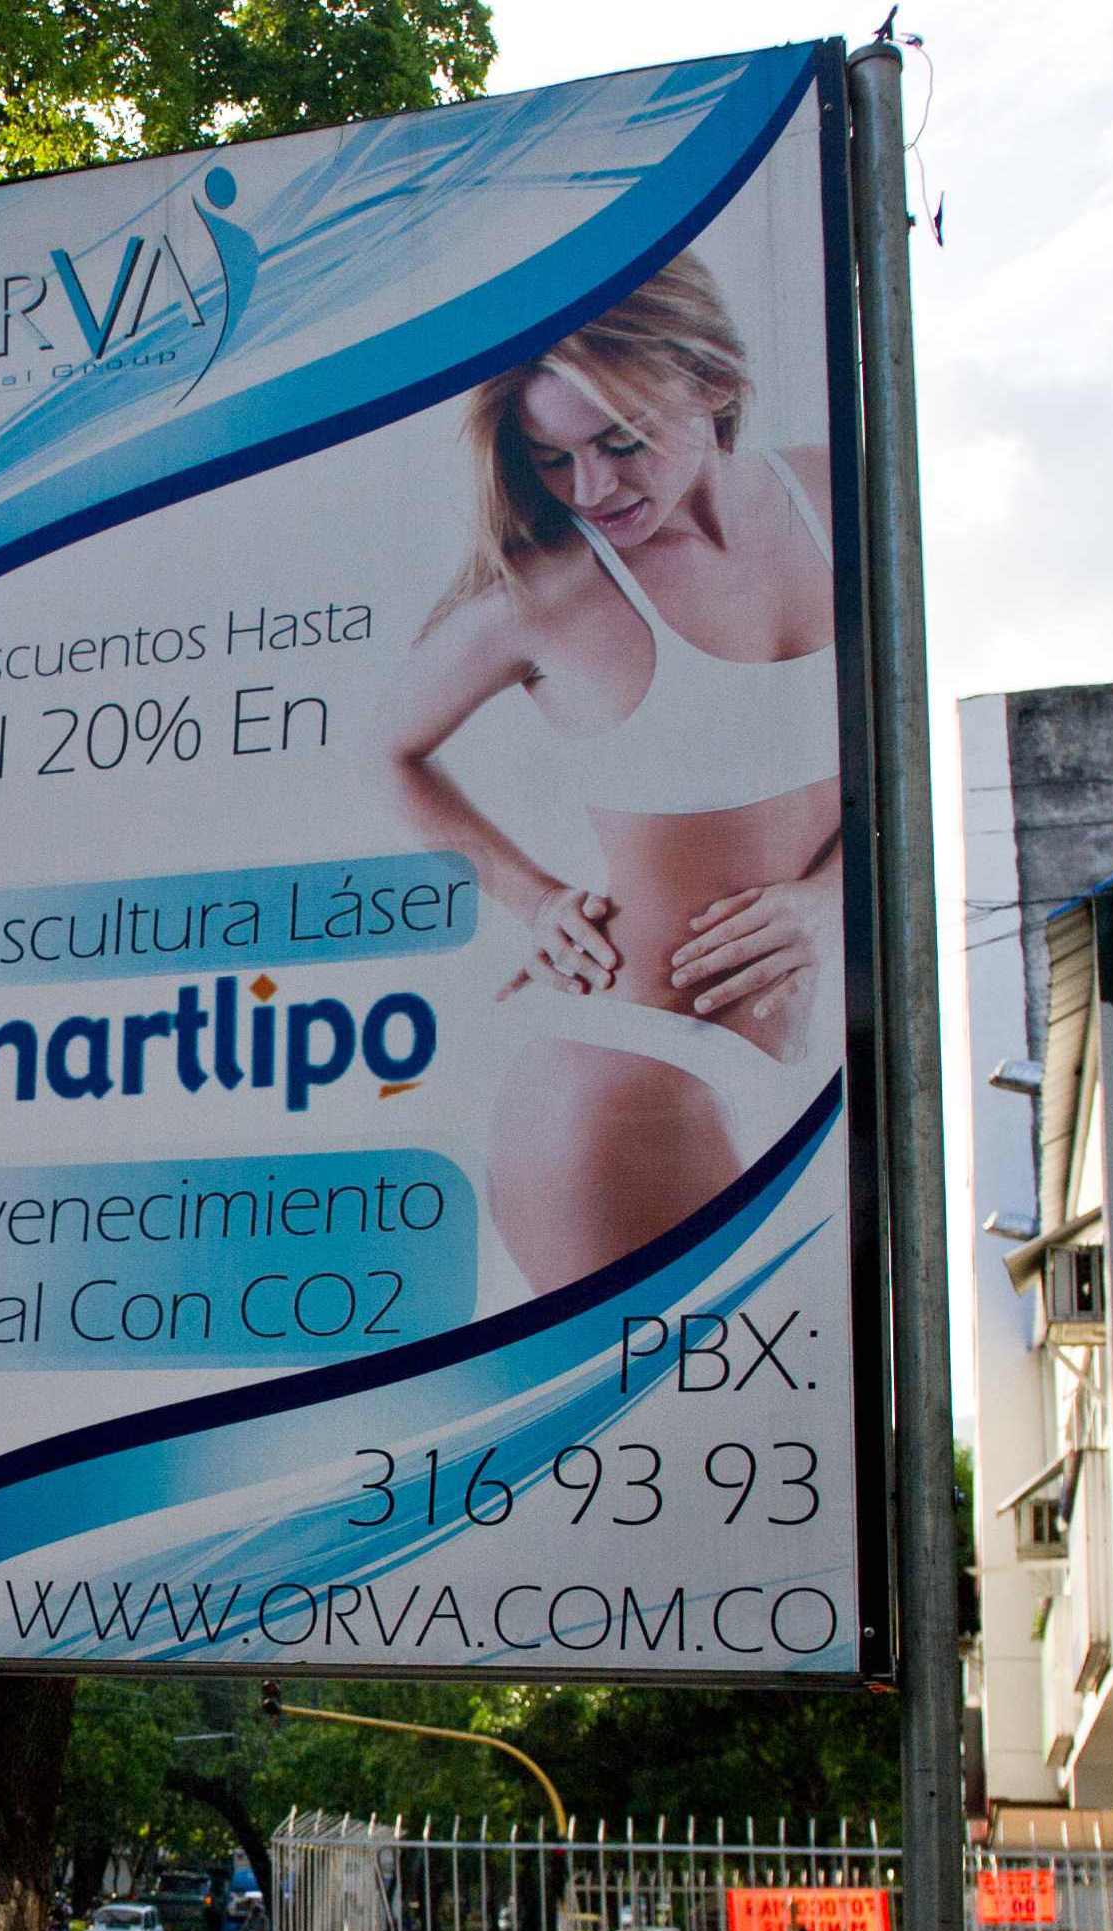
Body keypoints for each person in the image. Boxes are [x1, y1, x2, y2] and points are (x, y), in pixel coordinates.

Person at [377, 249, 843, 1291]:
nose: (590, 488)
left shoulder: (831, 498)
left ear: (713, 385)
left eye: (618, 443)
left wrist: (825, 894)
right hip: (620, 1071)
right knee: (689, 1445)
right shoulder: (541, 598)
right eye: (551, 459)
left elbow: (879, 758)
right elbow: (384, 751)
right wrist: (529, 895)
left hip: (807, 1068)